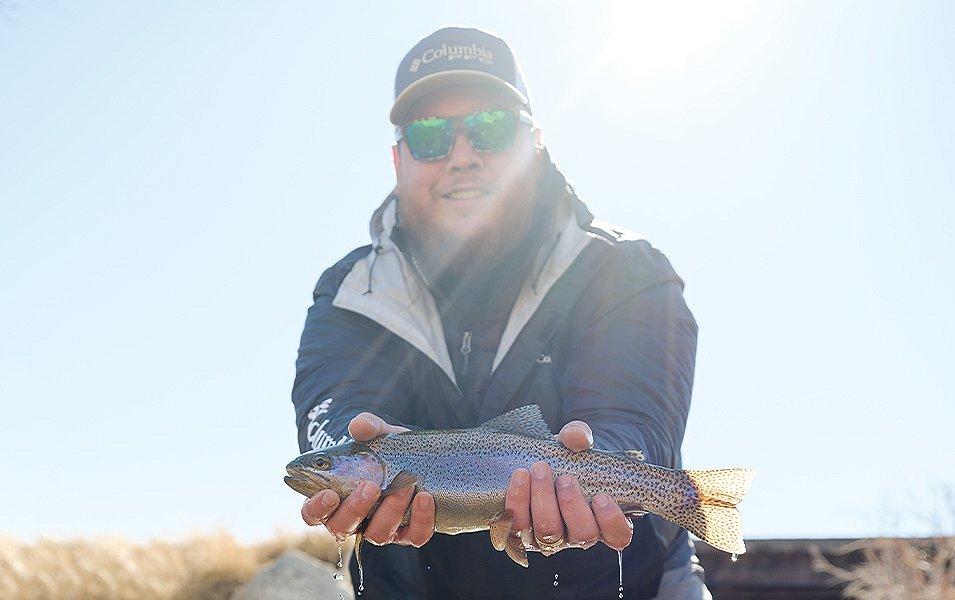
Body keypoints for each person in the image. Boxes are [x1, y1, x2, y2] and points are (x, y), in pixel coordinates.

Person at [291, 26, 710, 599]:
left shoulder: (626, 268)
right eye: (429, 135)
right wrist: (347, 436)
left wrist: (599, 468)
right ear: (397, 159)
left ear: (533, 142)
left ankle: (694, 500)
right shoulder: (350, 294)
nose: (462, 155)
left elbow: (635, 415)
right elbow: (332, 406)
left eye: (490, 127)